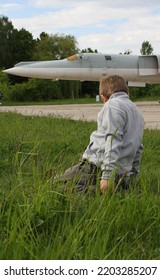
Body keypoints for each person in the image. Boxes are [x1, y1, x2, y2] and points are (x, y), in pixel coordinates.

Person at [57, 75, 144, 194]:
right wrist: (133, 177)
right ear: (127, 92)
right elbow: (138, 147)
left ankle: (103, 192)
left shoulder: (112, 105)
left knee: (56, 185)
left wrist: (107, 176)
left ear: (103, 98)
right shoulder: (137, 112)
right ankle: (118, 189)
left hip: (97, 167)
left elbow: (112, 139)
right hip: (122, 172)